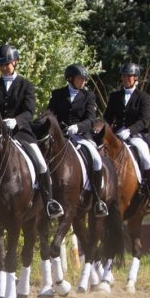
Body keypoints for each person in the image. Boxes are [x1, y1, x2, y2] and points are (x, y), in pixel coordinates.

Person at [0, 44, 64, 219]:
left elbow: (29, 111)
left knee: (40, 163)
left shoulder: (26, 85)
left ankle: (49, 202)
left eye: (7, 64)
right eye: (1, 65)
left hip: (21, 132)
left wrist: (16, 121)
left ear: (15, 62)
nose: (4, 68)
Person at [45, 64, 109, 217]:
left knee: (96, 159)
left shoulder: (88, 96)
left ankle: (97, 199)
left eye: (84, 79)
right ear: (70, 78)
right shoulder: (58, 94)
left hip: (81, 136)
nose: (83, 81)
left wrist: (78, 127)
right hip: (61, 136)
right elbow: (50, 114)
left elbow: (91, 119)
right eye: (80, 78)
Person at [102, 63, 150, 211]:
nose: (126, 78)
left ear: (136, 78)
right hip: (116, 135)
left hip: (136, 136)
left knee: (145, 157)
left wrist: (129, 131)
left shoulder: (143, 97)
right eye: (124, 76)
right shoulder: (115, 96)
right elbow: (107, 118)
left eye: (129, 76)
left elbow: (144, 120)